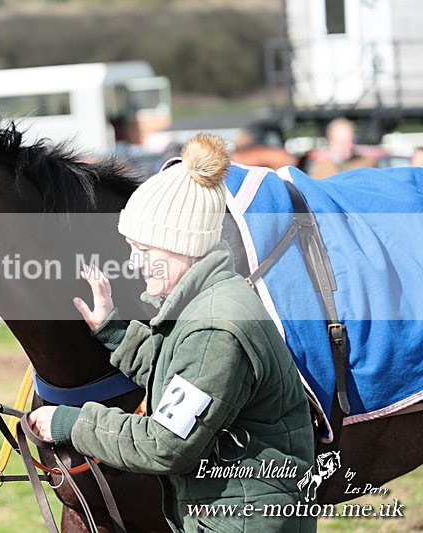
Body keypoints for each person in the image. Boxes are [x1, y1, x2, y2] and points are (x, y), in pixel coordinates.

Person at [28, 134, 315, 532]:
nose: (134, 262)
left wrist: (69, 423)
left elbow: (165, 446)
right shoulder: (206, 302)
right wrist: (113, 330)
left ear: (182, 245)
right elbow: (180, 374)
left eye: (144, 249)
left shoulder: (216, 326)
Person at [306, 117, 376, 179]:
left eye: (351, 140)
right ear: (331, 142)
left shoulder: (367, 165)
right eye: (343, 142)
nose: (349, 145)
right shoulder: (321, 168)